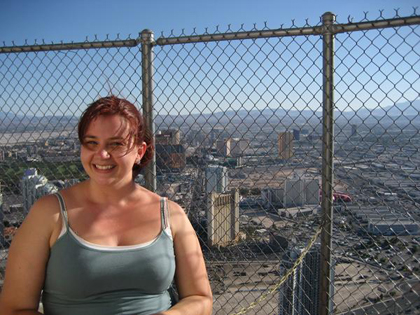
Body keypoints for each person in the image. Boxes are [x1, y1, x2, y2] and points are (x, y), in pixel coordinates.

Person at [0, 96, 213, 315]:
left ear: (140, 152)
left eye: (116, 144)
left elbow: (200, 298)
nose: (102, 154)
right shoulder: (49, 214)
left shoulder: (171, 215)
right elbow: (14, 309)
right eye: (91, 143)